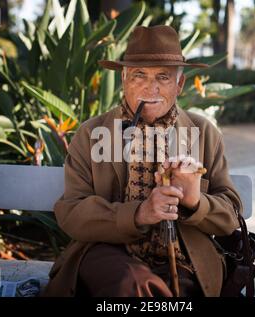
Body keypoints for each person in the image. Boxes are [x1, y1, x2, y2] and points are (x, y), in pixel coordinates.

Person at [44, 25, 243, 297]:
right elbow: (71, 213)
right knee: (132, 285)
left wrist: (195, 201)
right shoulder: (91, 134)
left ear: (180, 84)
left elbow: (230, 216)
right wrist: (138, 214)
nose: (151, 87)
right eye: (139, 75)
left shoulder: (204, 133)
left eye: (163, 76)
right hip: (106, 252)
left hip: (183, 258)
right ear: (124, 78)